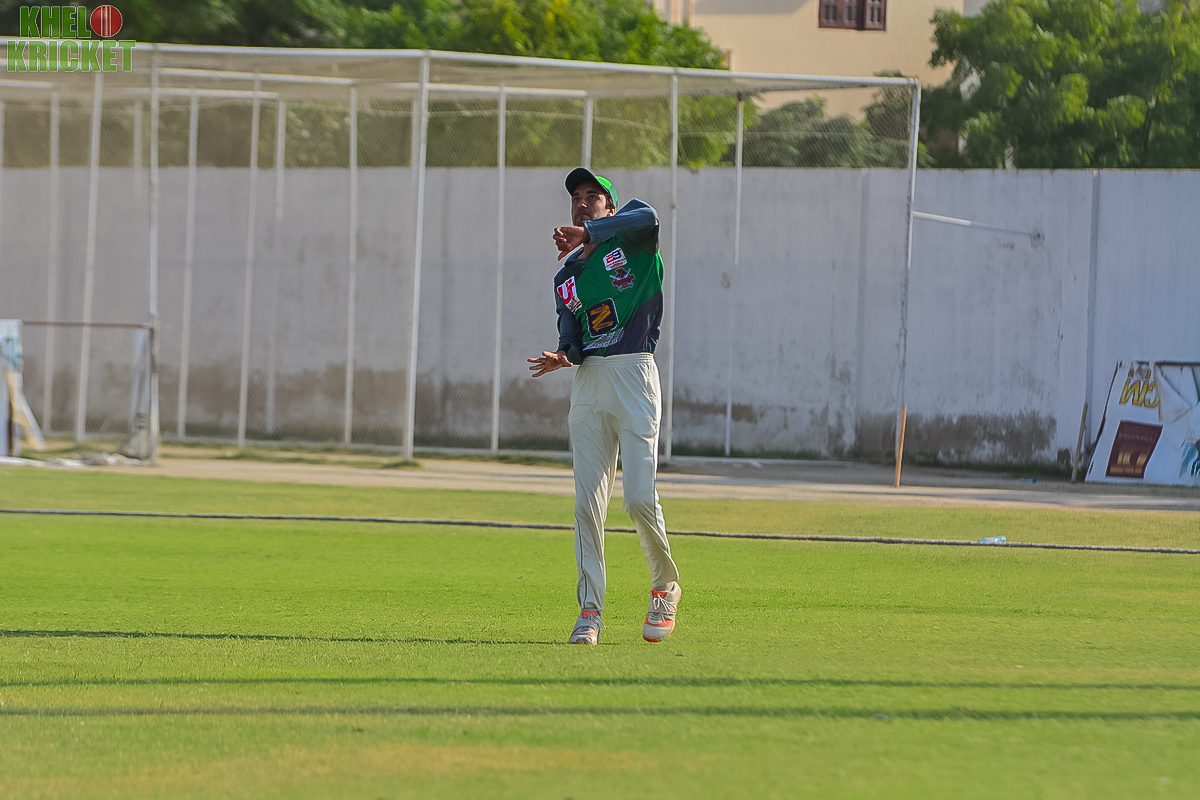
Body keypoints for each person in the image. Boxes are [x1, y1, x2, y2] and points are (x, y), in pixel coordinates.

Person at [527, 168, 681, 646]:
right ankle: (590, 611)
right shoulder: (566, 276)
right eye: (576, 196)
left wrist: (592, 233)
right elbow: (571, 332)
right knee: (587, 505)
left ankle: (665, 585)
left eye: (593, 195)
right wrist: (563, 355)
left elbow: (648, 214)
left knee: (638, 498)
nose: (582, 201)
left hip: (634, 374)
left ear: (610, 208)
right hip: (590, 385)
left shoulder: (633, 241)